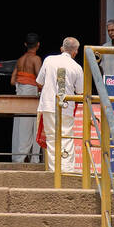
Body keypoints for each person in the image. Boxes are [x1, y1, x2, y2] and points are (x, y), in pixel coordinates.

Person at [36, 37, 84, 173]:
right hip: (66, 107)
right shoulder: (77, 67)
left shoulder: (49, 60)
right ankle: (67, 170)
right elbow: (80, 92)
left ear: (62, 48)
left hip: (49, 105)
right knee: (66, 138)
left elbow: (39, 82)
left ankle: (53, 171)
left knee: (51, 139)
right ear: (75, 52)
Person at [10, 32, 42, 163]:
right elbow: (40, 81)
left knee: (20, 126)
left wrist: (23, 83)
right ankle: (33, 158)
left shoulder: (20, 59)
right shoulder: (36, 59)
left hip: (20, 95)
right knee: (30, 126)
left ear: (25, 44)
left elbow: (13, 81)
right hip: (31, 95)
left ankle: (18, 157)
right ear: (38, 45)